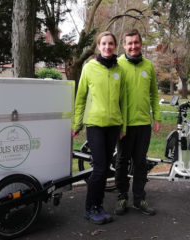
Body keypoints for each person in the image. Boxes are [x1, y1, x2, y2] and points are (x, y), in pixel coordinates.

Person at [72, 31, 126, 225]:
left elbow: (123, 100)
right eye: (103, 43)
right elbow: (81, 98)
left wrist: (123, 126)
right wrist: (77, 124)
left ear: (114, 46)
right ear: (98, 46)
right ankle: (89, 208)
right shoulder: (89, 67)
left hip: (114, 125)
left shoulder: (120, 70)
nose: (107, 47)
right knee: (100, 168)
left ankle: (99, 205)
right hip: (95, 125)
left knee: (105, 169)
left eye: (111, 43)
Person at [114, 29, 161, 216]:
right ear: (124, 45)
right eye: (129, 43)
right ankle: (121, 197)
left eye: (136, 42)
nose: (133, 46)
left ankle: (139, 199)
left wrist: (157, 117)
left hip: (143, 123)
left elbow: (154, 93)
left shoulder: (148, 66)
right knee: (122, 161)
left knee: (141, 162)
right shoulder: (116, 63)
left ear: (141, 44)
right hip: (123, 125)